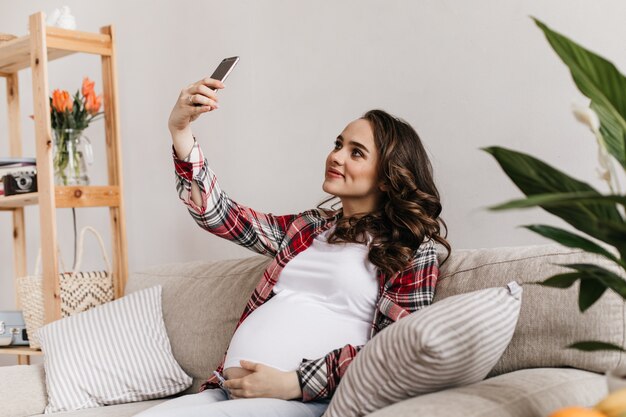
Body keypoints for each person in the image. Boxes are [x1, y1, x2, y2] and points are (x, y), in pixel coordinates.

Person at [136, 76, 451, 417]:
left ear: (389, 177)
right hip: (228, 394)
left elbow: (397, 353)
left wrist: (295, 382)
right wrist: (180, 131)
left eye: (355, 152)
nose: (336, 156)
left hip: (308, 401)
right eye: (338, 144)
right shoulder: (308, 228)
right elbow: (221, 215)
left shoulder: (410, 250)